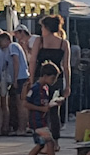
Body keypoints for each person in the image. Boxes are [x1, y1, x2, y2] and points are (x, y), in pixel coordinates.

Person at [18, 61, 65, 155]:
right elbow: (25, 103)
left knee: (40, 145)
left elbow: (45, 105)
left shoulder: (45, 88)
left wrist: (54, 104)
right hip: (36, 121)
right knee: (50, 143)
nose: (54, 81)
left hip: (42, 120)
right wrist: (41, 109)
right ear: (44, 76)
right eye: (52, 78)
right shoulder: (35, 88)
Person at [30, 14, 72, 142]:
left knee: (38, 110)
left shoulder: (39, 41)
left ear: (46, 27)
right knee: (54, 111)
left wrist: (31, 79)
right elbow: (66, 66)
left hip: (40, 78)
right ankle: (55, 140)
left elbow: (33, 61)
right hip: (56, 79)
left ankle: (41, 139)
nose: (41, 30)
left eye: (42, 27)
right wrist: (68, 85)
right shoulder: (64, 43)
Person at [11, 26, 33, 131]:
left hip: (20, 77)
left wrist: (15, 78)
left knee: (20, 103)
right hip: (26, 75)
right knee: (24, 103)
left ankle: (21, 128)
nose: (16, 36)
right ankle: (25, 126)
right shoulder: (20, 45)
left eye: (17, 33)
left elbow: (16, 62)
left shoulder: (14, 46)